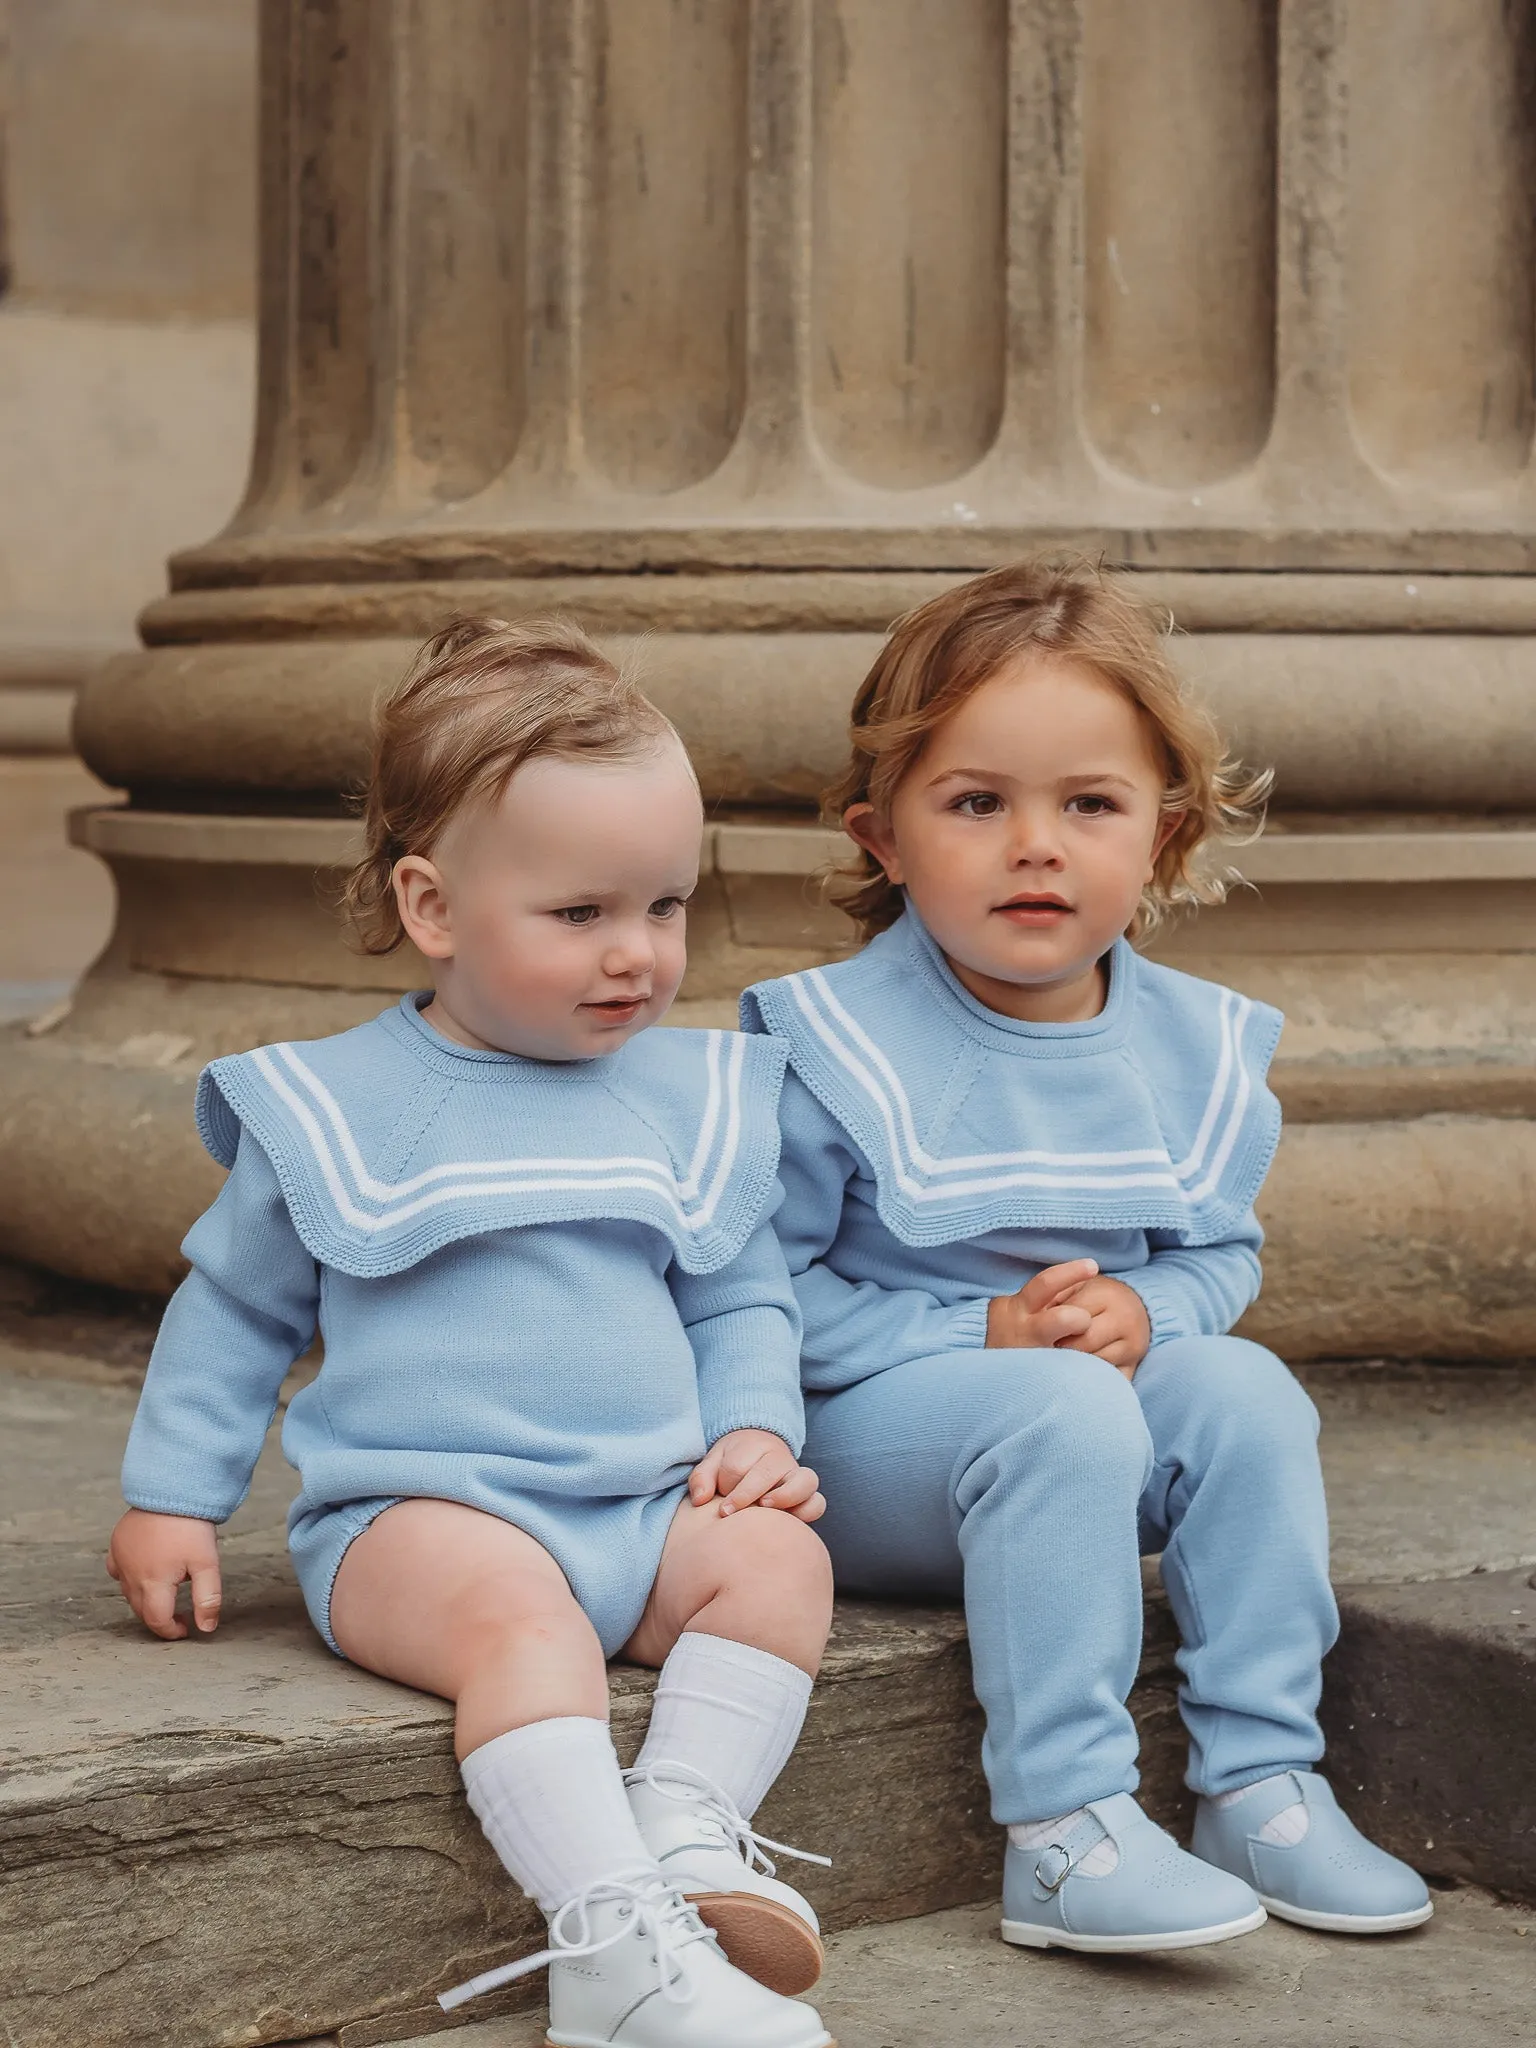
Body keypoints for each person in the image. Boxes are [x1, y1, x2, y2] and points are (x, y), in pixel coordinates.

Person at [107, 618, 838, 2048]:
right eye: (580, 915)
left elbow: (740, 1291)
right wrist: (171, 1499)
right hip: (418, 1522)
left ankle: (687, 1824)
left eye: (667, 906)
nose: (637, 954)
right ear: (432, 907)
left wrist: (757, 1431)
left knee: (777, 1561)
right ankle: (612, 1944)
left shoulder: (685, 1097)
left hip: (639, 1510)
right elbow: (236, 1310)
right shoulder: (342, 1104)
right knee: (524, 1629)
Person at [743, 559, 1432, 1955]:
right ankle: (1062, 1827)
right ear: (885, 837)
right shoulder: (832, 1048)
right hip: (881, 1458)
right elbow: (758, 1293)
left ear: (1164, 838)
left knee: (1245, 1393)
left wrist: (1143, 1304)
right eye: (977, 802)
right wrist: (977, 1336)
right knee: (1059, 1406)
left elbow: (1219, 1256)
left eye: (1090, 805)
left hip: (1088, 1435)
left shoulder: (1194, 1049)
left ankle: (1259, 1782)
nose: (1036, 844)